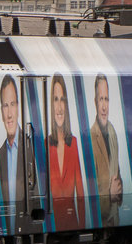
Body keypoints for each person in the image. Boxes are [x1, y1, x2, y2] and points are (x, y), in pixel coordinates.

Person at [0, 75, 36, 235]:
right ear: (1, 112)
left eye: (12, 104)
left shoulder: (30, 146)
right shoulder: (0, 155)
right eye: (5, 106)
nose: (10, 114)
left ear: (19, 107)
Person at [47, 74, 85, 230]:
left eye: (62, 99)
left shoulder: (74, 143)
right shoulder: (46, 145)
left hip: (72, 222)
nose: (60, 107)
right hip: (52, 222)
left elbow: (81, 194)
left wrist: (83, 225)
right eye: (56, 99)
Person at [90, 75, 124, 227]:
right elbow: (89, 189)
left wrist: (120, 189)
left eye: (106, 99)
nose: (104, 106)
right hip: (101, 222)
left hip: (115, 220)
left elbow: (118, 174)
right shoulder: (90, 138)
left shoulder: (112, 132)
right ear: (95, 102)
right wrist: (108, 195)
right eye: (101, 99)